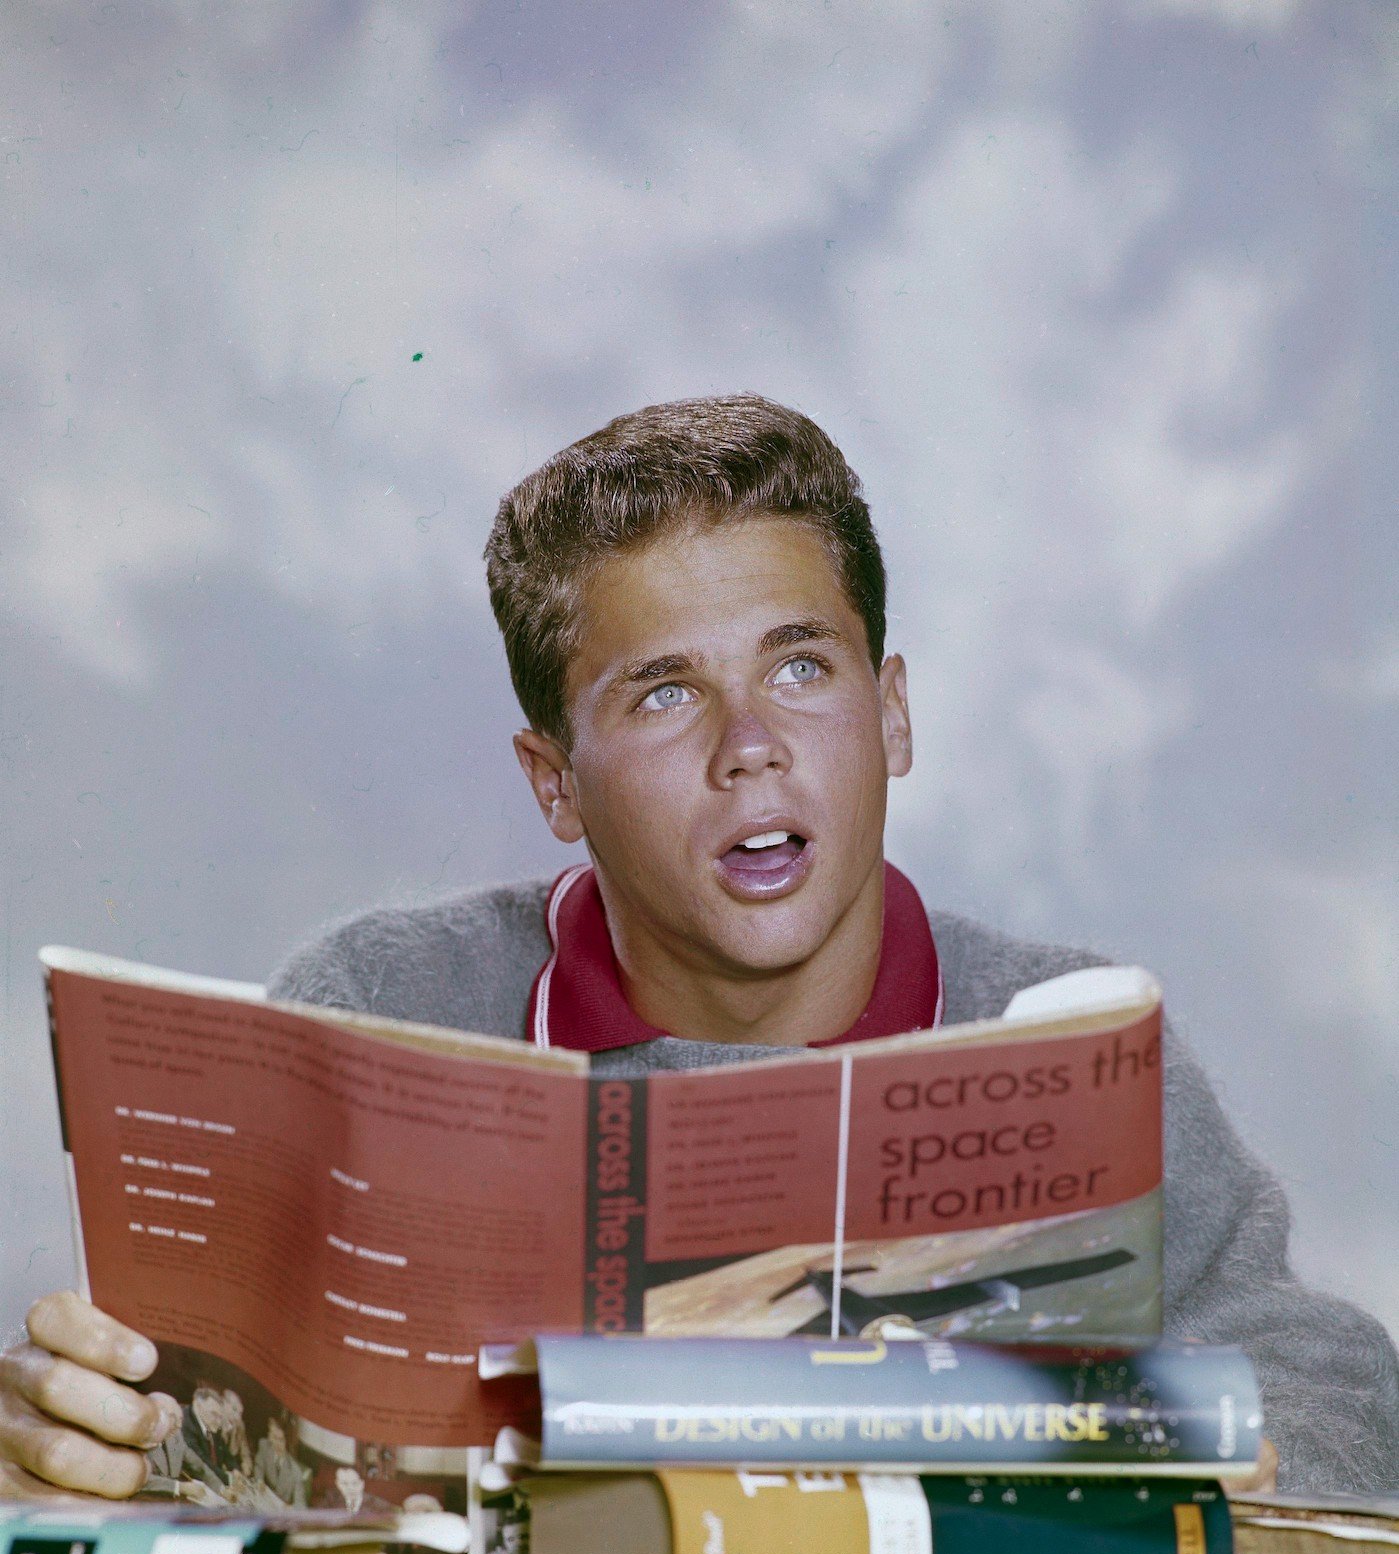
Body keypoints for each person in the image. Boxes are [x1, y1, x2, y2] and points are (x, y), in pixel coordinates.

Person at [1, 394, 1396, 1497]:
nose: (752, 748)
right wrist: (95, 1443)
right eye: (666, 693)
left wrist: (1252, 1466)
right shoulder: (385, 1007)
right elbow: (212, 1423)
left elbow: (1330, 1384)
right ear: (555, 783)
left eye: (802, 667)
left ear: (892, 715)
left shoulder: (1056, 1030)